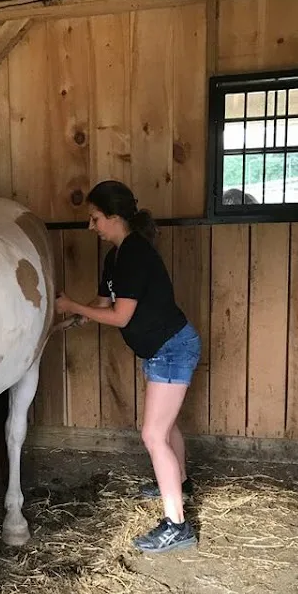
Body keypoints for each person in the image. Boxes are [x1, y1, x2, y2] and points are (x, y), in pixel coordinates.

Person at [54, 180, 201, 554]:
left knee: (153, 435)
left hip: (172, 347)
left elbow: (120, 316)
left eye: (95, 218)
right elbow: (103, 303)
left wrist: (73, 306)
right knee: (166, 428)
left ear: (116, 217)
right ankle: (178, 483)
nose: (91, 227)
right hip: (160, 349)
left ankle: (177, 525)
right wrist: (72, 319)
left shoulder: (135, 253)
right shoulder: (115, 256)